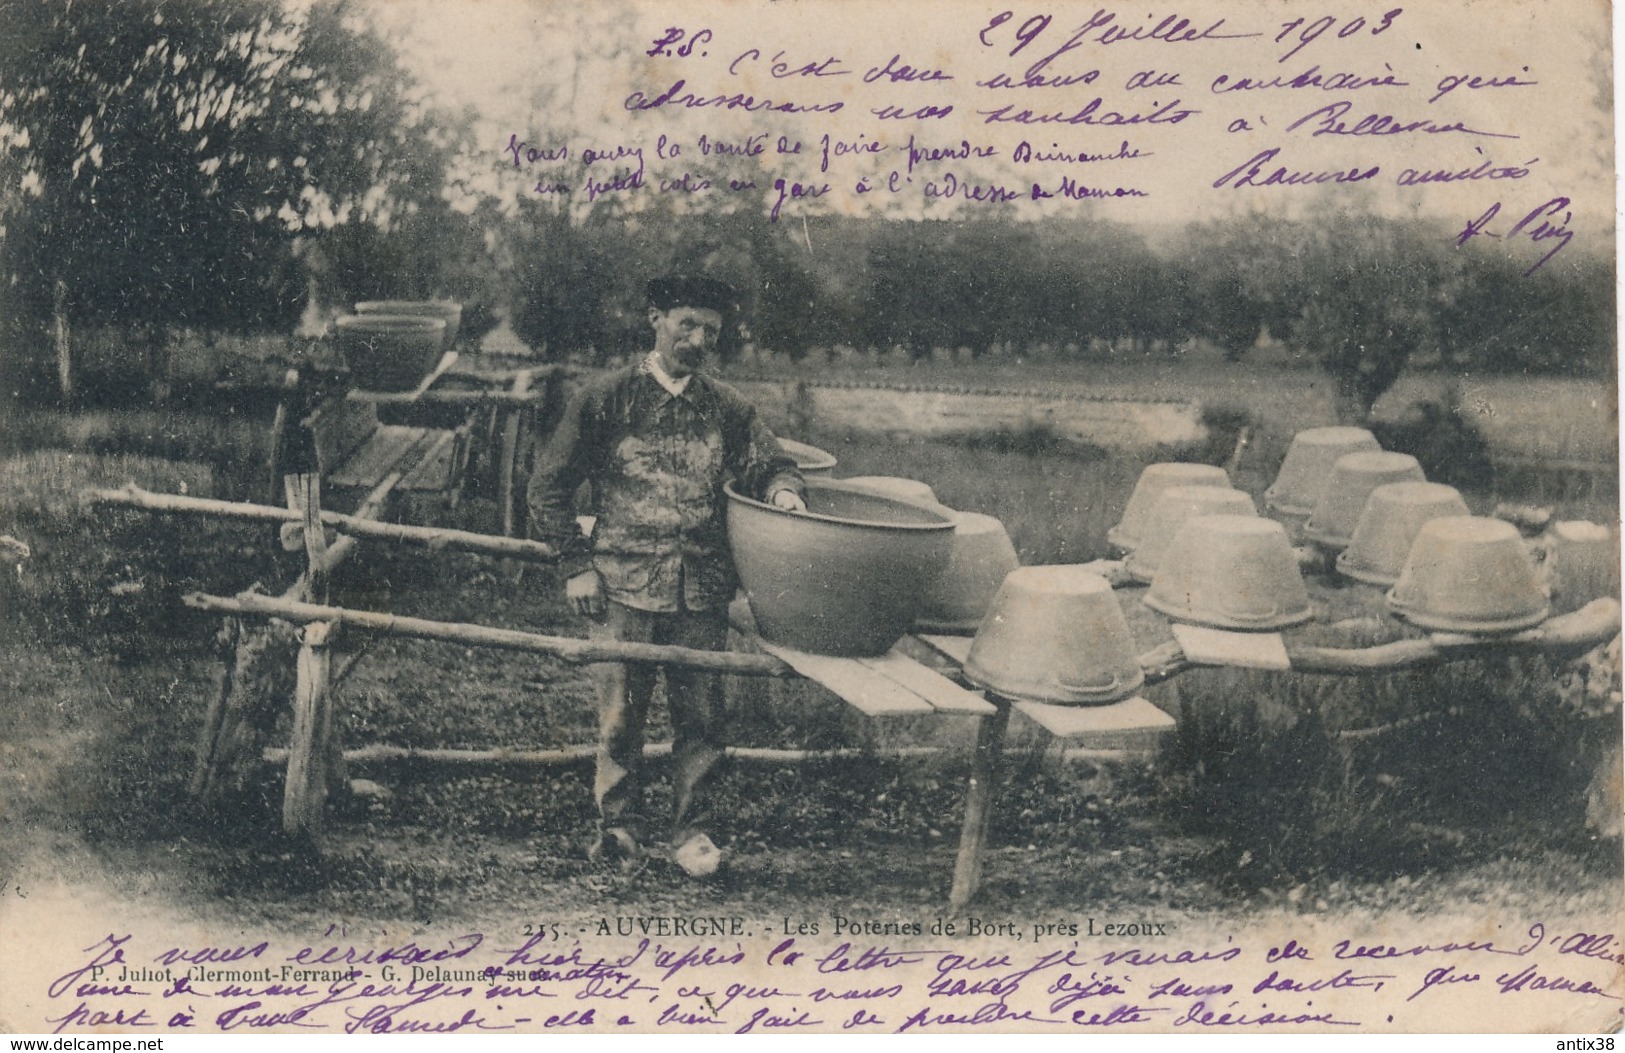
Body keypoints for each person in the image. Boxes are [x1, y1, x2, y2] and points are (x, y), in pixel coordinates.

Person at [527, 275, 807, 878]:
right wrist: (576, 566)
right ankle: (618, 829)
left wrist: (783, 493)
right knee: (620, 718)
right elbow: (547, 489)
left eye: (710, 330)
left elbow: (773, 462)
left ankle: (691, 833)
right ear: (655, 319)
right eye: (686, 324)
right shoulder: (607, 399)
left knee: (702, 723)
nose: (698, 339)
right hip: (621, 586)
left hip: (701, 593)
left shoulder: (728, 408)